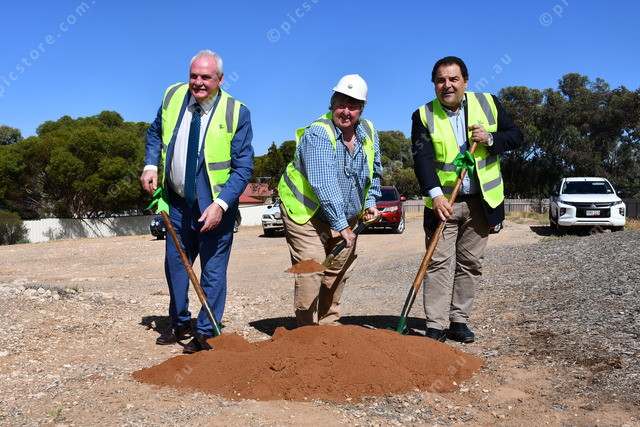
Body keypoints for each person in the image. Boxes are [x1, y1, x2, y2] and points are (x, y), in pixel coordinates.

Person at [140, 50, 254, 353]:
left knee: (212, 272)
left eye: (205, 77)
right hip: (177, 204)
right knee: (176, 266)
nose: (198, 83)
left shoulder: (237, 112)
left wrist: (221, 205)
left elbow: (244, 168)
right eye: (193, 76)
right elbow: (154, 133)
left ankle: (205, 332)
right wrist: (150, 165)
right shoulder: (173, 96)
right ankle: (180, 322)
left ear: (220, 79)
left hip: (215, 208)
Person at [411, 56, 523, 343]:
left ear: (465, 81)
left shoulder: (489, 103)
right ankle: (435, 325)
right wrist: (436, 195)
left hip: (480, 203)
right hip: (444, 204)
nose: (447, 85)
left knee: (470, 263)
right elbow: (422, 159)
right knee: (437, 263)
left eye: (453, 79)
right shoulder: (423, 115)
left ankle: (459, 321)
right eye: (440, 80)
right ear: (434, 84)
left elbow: (516, 137)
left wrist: (490, 138)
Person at [278, 74, 382, 327]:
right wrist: (342, 226)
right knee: (313, 268)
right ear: (332, 104)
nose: (346, 112)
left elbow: (375, 170)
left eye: (353, 106)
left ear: (361, 108)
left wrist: (370, 201)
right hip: (305, 213)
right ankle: (306, 330)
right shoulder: (319, 133)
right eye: (341, 104)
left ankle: (329, 325)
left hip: (345, 215)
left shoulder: (368, 132)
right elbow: (324, 183)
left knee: (337, 269)